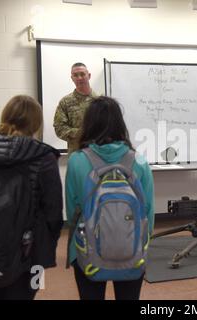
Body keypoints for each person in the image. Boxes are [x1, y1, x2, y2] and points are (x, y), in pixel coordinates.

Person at [0, 95, 63, 300]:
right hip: (31, 252)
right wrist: (49, 243)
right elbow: (53, 211)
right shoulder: (44, 156)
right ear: (36, 123)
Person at [65, 96, 155, 300]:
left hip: (87, 249)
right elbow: (148, 211)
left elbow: (72, 212)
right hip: (132, 249)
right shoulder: (139, 161)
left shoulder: (77, 161)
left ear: (88, 124)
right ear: (119, 123)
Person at [53, 62, 98, 154]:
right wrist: (81, 133)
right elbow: (59, 128)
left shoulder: (100, 101)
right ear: (72, 78)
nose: (79, 78)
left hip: (98, 153)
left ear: (89, 76)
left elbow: (109, 128)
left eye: (82, 74)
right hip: (76, 154)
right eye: (75, 75)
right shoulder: (65, 102)